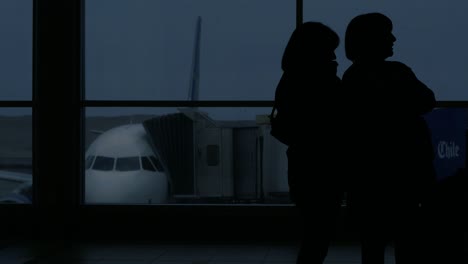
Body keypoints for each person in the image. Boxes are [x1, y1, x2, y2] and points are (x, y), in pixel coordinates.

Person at [341, 12, 437, 264]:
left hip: (369, 178)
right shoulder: (398, 72)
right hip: (405, 175)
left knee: (372, 246)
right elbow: (427, 100)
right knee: (408, 243)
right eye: (387, 34)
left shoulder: (352, 78)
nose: (393, 39)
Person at [274, 21, 344, 264]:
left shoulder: (289, 80)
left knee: (314, 234)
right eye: (329, 50)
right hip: (322, 167)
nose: (334, 56)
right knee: (319, 236)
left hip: (302, 164)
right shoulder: (323, 82)